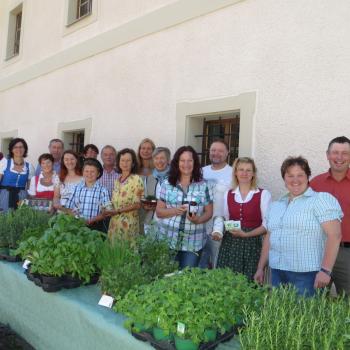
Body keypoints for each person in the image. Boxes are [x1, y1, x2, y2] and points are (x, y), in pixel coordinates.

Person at [254, 156, 342, 296]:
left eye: (300, 175)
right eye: (290, 176)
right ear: (284, 179)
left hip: (307, 275)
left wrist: (325, 271)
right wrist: (260, 268)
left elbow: (335, 235)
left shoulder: (320, 200)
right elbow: (269, 237)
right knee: (280, 315)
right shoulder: (276, 206)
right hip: (277, 271)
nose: (295, 180)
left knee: (304, 317)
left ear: (308, 177)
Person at [156, 146, 213, 269]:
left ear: (195, 163)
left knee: (186, 280)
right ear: (177, 162)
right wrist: (176, 210)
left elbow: (209, 212)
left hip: (193, 243)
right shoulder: (167, 183)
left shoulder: (204, 185)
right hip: (168, 240)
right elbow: (159, 212)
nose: (186, 164)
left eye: (190, 160)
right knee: (167, 278)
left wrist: (198, 220)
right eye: (182, 160)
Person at [215, 157, 271, 280]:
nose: (244, 173)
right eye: (241, 170)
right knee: (228, 282)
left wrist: (246, 234)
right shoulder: (228, 194)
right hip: (231, 245)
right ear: (235, 172)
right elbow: (227, 219)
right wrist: (219, 231)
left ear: (253, 174)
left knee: (250, 283)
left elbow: (267, 225)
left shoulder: (263, 194)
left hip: (253, 244)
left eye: (248, 170)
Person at [310, 136, 350, 295]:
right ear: (327, 155)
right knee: (313, 303)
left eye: (345, 153)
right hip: (318, 251)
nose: (339, 158)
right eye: (335, 153)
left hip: (347, 254)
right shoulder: (314, 184)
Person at [199, 139, 233, 268]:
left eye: (220, 151)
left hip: (221, 229)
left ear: (227, 153)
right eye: (213, 150)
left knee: (217, 264)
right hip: (200, 226)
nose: (216, 153)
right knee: (199, 264)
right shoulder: (201, 171)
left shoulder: (233, 173)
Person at [107, 148, 144, 242]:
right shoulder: (117, 180)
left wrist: (118, 211)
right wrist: (107, 208)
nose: (125, 163)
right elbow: (114, 201)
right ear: (118, 162)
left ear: (133, 163)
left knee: (126, 252)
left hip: (128, 224)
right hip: (114, 222)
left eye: (128, 160)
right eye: (122, 160)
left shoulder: (137, 179)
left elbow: (137, 204)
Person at [65, 158, 110, 232]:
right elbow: (68, 207)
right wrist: (78, 218)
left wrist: (92, 220)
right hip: (77, 224)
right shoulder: (76, 188)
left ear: (98, 174)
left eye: (92, 172)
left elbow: (107, 211)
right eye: (86, 171)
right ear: (82, 173)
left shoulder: (103, 190)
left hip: (96, 226)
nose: (89, 174)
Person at [140, 147, 171, 233]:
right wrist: (145, 205)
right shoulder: (148, 179)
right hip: (151, 223)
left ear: (168, 160)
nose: (159, 161)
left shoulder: (175, 179)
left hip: (169, 224)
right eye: (156, 158)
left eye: (162, 158)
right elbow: (145, 198)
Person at [0, 138, 34, 211]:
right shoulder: (4, 163)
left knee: (19, 219)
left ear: (25, 149)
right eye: (15, 147)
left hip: (21, 198)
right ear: (11, 149)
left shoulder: (29, 167)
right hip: (4, 197)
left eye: (21, 147)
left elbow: (30, 188)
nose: (18, 149)